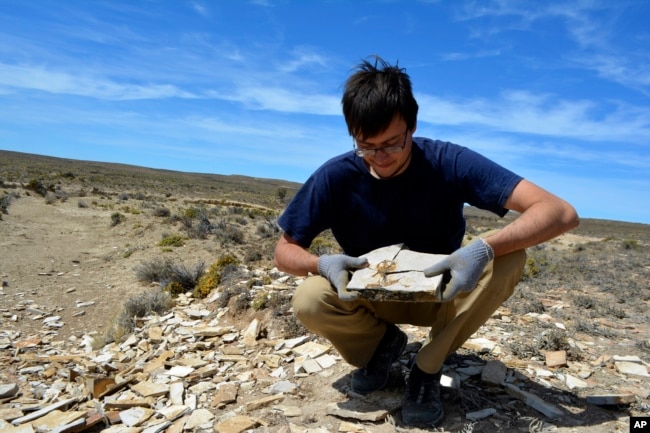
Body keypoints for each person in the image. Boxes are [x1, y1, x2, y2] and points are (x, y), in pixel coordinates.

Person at [273, 56, 579, 427]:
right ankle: (380, 346)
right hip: (372, 296)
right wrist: (320, 264)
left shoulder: (448, 160)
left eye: (392, 144)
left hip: (440, 294)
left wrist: (483, 248)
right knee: (309, 298)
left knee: (510, 257)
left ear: (412, 127)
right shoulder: (336, 176)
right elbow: (284, 250)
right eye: (366, 146)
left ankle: (426, 367)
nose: (380, 158)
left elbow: (559, 211)